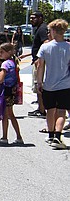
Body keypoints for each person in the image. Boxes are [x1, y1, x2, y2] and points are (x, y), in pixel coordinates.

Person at [35, 18, 70, 149]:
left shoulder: (45, 47)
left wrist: (39, 82)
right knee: (61, 112)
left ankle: (50, 135)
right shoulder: (68, 47)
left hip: (49, 84)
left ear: (54, 31)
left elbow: (40, 66)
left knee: (50, 110)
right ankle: (57, 135)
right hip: (66, 85)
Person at [0, 42, 24, 145]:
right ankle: (19, 137)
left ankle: (4, 137)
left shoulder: (5, 64)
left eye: (2, 52)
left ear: (8, 52)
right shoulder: (13, 62)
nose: (0, 54)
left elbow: (1, 79)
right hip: (11, 91)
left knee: (5, 115)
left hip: (5, 91)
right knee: (11, 115)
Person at [28, 11, 49, 118]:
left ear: (40, 18)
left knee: (39, 86)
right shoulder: (40, 28)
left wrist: (40, 59)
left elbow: (46, 43)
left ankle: (42, 110)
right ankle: (40, 109)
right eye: (31, 18)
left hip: (40, 63)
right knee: (38, 87)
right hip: (37, 61)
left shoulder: (42, 29)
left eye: (34, 18)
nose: (31, 20)